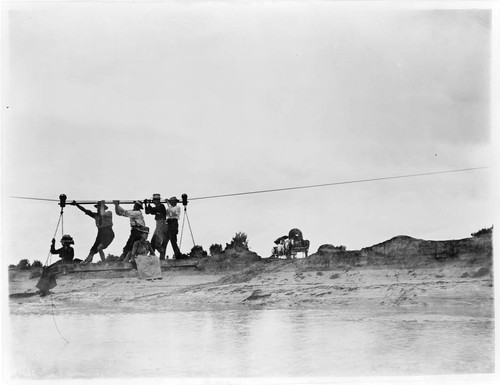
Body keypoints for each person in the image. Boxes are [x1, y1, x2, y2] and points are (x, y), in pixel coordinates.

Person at [72, 200, 115, 265]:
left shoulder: (109, 213)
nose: (98, 209)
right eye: (97, 208)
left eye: (99, 208)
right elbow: (85, 210)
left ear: (103, 208)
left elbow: (102, 213)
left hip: (108, 233)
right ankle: (86, 262)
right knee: (93, 250)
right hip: (100, 233)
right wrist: (76, 205)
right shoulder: (95, 215)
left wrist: (102, 205)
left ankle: (105, 263)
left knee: (99, 248)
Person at [144, 193, 168, 260]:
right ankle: (152, 258)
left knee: (157, 244)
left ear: (158, 200)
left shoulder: (161, 206)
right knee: (152, 243)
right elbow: (147, 212)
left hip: (162, 226)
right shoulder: (156, 208)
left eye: (155, 200)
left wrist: (148, 204)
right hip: (158, 226)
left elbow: (152, 210)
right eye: (153, 200)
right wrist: (146, 204)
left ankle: (162, 254)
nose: (154, 202)